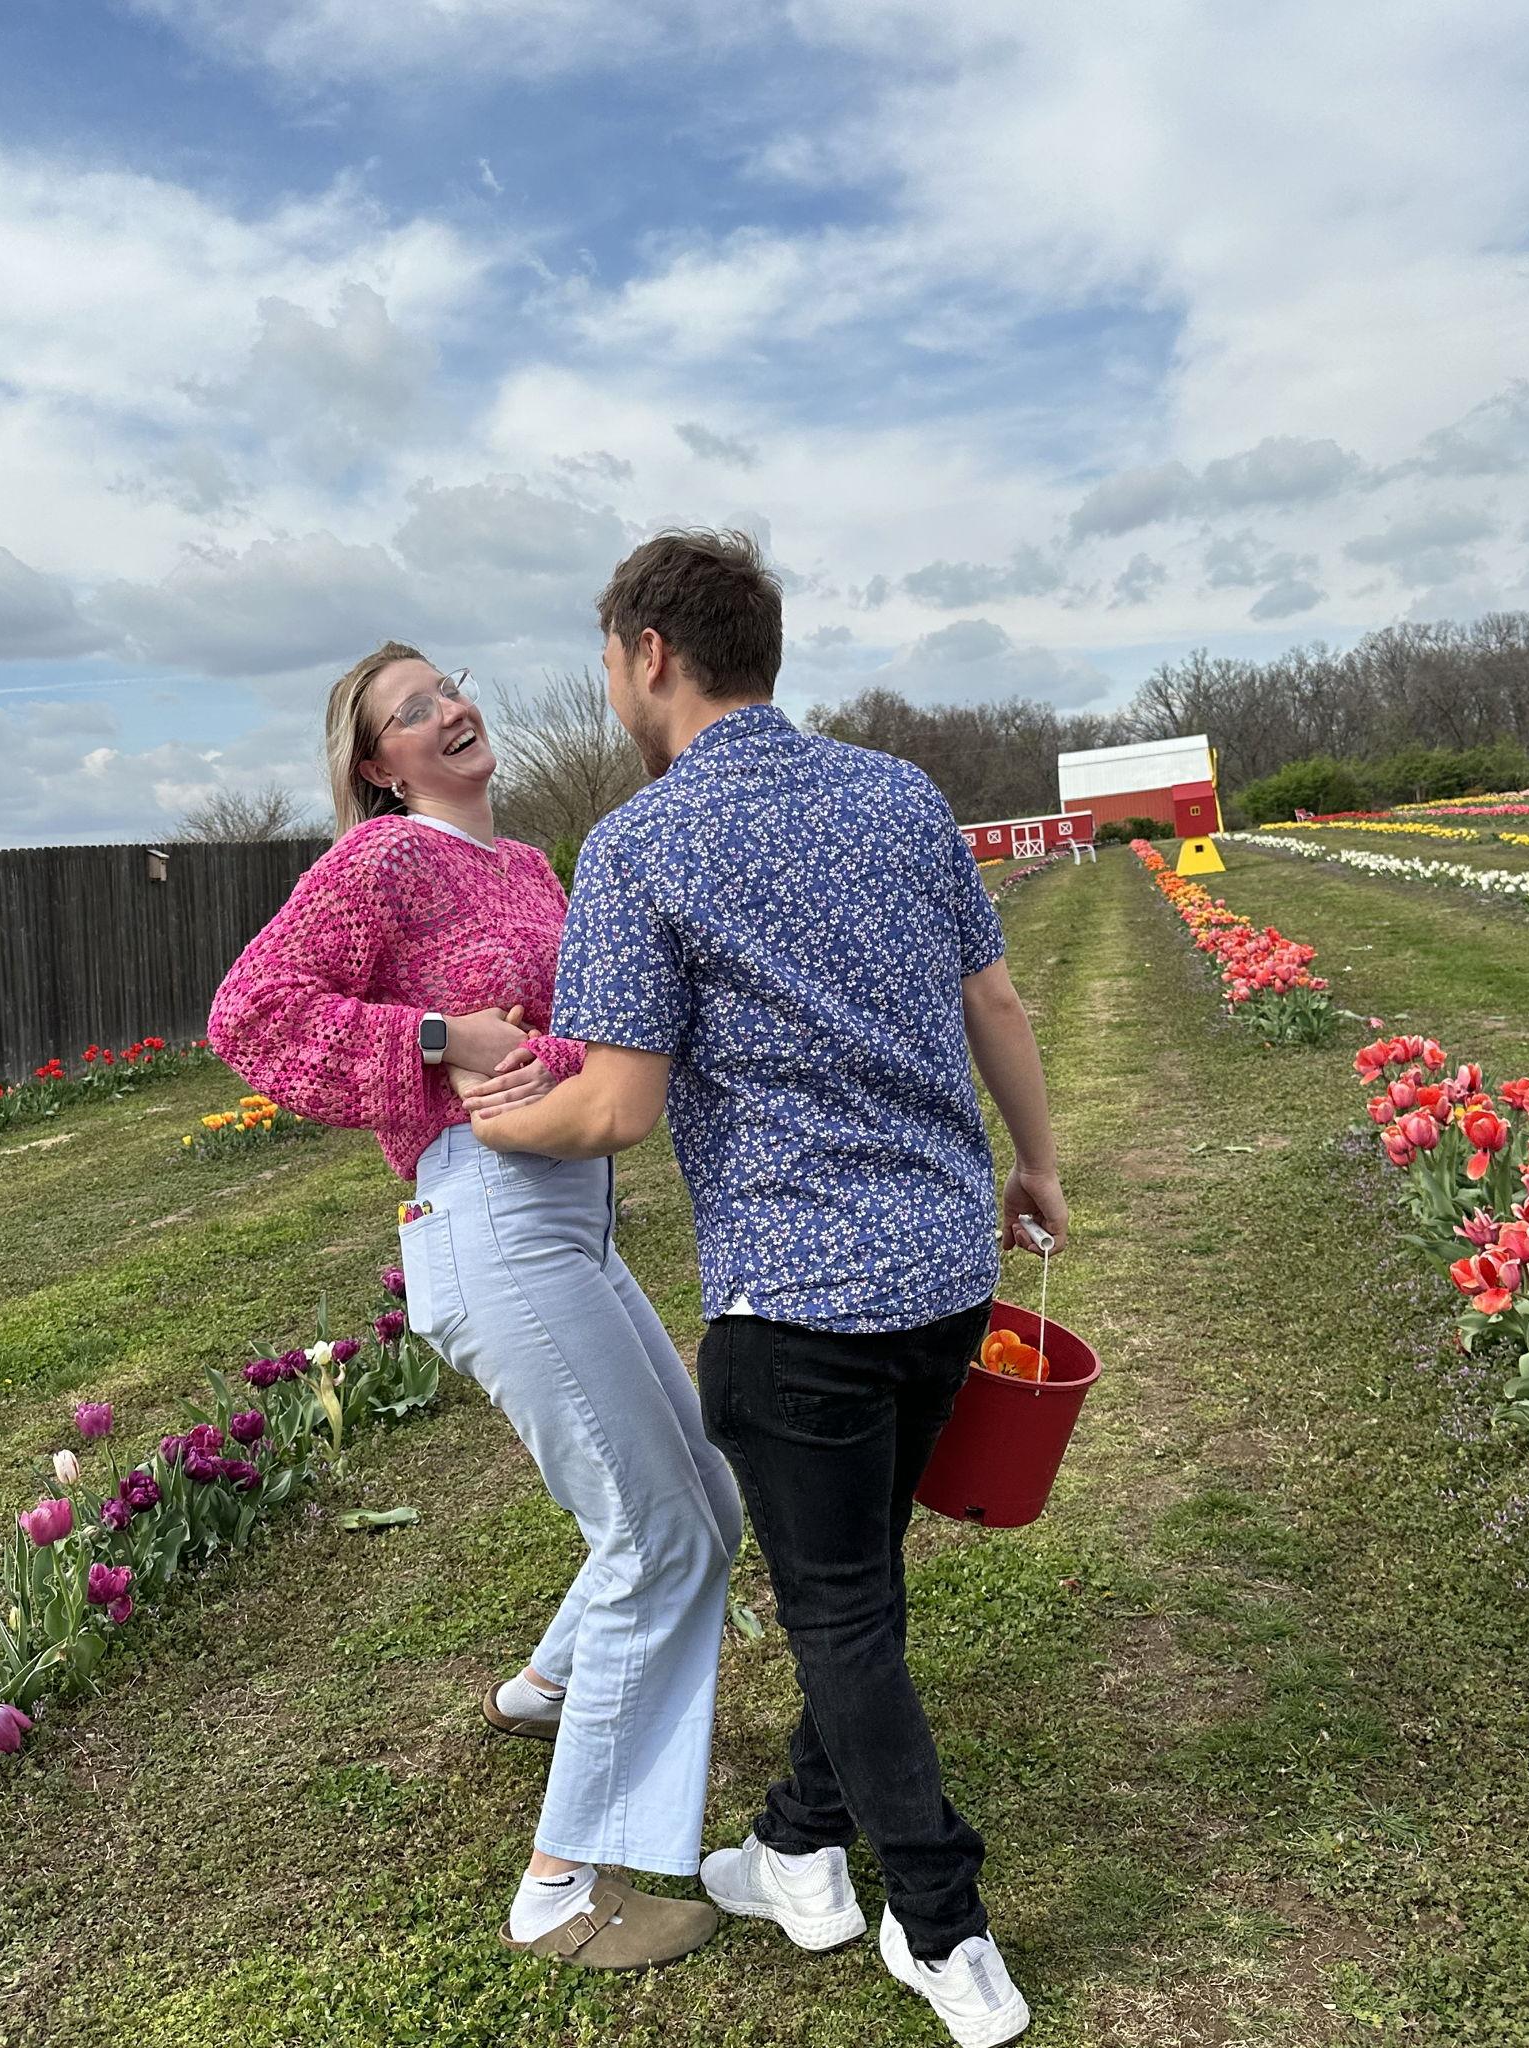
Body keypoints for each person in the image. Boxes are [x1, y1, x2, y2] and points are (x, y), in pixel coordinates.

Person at [470, 531, 1067, 2048]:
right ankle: (800, 1847)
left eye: (608, 660)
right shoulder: (901, 795)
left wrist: (494, 1121)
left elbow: (609, 1104)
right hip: (945, 1275)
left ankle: (944, 1927)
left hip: (793, 1305)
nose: (610, 685)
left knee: (843, 1619)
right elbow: (990, 996)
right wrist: (1039, 1164)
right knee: (861, 1596)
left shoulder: (640, 845)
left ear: (650, 656)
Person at [206, 642, 741, 1971]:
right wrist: (442, 1042)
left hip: (570, 1210)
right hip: (492, 1219)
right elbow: (250, 1016)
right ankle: (561, 1890)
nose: (448, 711)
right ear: (377, 766)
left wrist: (547, 1051)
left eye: (447, 687)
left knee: (709, 1499)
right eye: (409, 711)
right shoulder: (383, 861)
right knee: (663, 1536)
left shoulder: (527, 866)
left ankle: (547, 1686)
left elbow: (585, 1046)